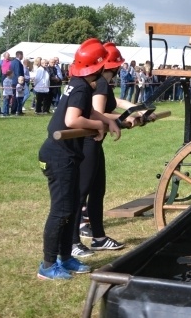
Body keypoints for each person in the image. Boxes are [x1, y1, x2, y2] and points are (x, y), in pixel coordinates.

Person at [37, 38, 121, 280]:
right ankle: (47, 265)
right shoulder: (83, 87)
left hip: (69, 154)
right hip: (58, 156)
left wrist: (108, 120)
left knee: (71, 208)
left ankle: (66, 257)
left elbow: (89, 111)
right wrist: (99, 125)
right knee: (61, 211)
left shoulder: (79, 83)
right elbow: (73, 120)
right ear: (96, 67)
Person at [72, 43, 150, 258]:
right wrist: (128, 118)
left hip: (95, 141)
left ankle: (98, 237)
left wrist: (135, 111)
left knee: (97, 190)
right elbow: (98, 113)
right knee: (82, 191)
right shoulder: (101, 85)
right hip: (88, 140)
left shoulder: (102, 84)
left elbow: (110, 107)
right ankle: (73, 240)